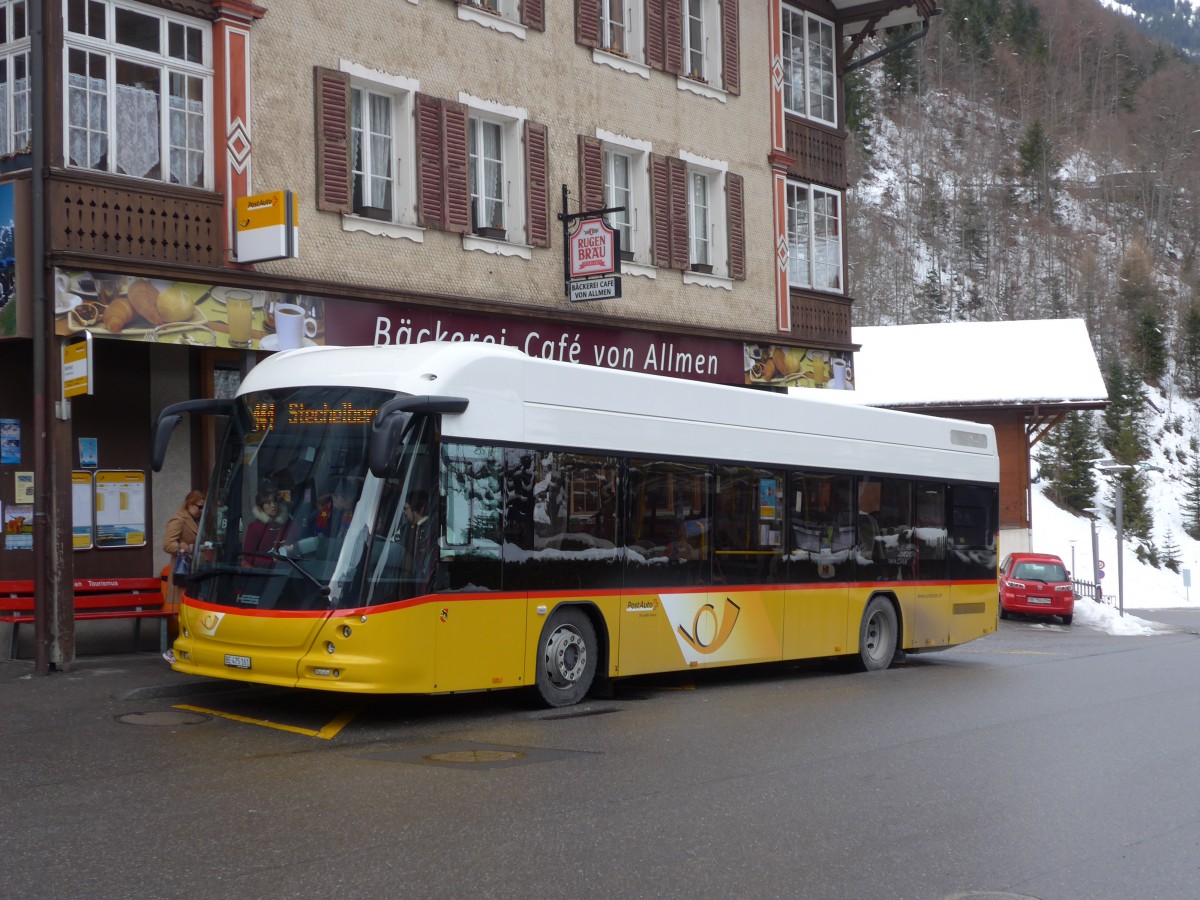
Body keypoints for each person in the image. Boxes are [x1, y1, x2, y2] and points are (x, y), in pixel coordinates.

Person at [161, 489, 203, 663]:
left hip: (196, 571)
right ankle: (175, 651)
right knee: (185, 615)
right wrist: (190, 548)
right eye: (199, 507)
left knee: (195, 615)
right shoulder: (179, 519)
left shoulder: (199, 519)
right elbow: (168, 544)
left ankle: (184, 651)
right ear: (190, 505)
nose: (202, 510)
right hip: (183, 571)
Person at [243, 484, 293, 567]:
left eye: (275, 502)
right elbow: (248, 556)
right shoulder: (255, 527)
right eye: (268, 503)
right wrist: (272, 561)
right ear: (260, 508)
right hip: (264, 574)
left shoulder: (289, 524)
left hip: (290, 571)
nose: (273, 506)